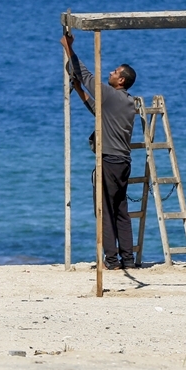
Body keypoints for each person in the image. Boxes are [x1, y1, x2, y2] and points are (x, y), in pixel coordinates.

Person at [60, 32, 138, 270]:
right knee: (121, 211)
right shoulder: (126, 102)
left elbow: (86, 76)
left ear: (121, 80)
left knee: (104, 210)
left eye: (115, 72)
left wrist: (69, 49)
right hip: (123, 161)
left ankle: (111, 261)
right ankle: (127, 259)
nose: (111, 73)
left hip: (109, 161)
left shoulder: (111, 95)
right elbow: (96, 109)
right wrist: (79, 90)